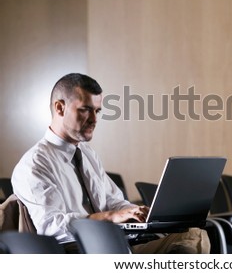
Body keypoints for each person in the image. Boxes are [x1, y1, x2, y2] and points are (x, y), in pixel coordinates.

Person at [11, 73, 210, 253]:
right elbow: (52, 227)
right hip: (78, 252)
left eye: (97, 111)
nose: (94, 119)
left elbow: (113, 201)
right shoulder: (34, 165)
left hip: (114, 244)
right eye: (85, 110)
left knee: (192, 233)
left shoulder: (87, 154)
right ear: (60, 107)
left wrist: (136, 214)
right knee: (188, 242)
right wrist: (110, 218)